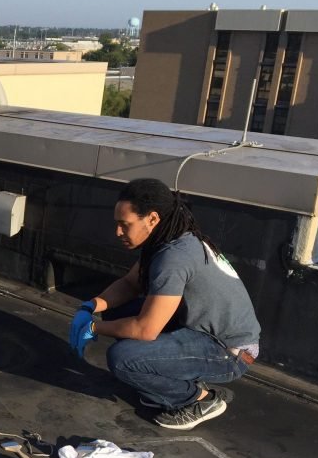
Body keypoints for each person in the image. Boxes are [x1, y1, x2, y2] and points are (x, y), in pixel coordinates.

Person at [69, 177, 261, 430]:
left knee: (122, 358)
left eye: (125, 224)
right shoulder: (169, 239)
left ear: (152, 219)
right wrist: (90, 307)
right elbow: (130, 284)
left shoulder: (174, 257)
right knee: (116, 310)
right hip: (201, 330)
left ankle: (199, 400)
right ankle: (169, 380)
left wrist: (92, 328)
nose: (118, 232)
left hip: (229, 352)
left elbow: (145, 329)